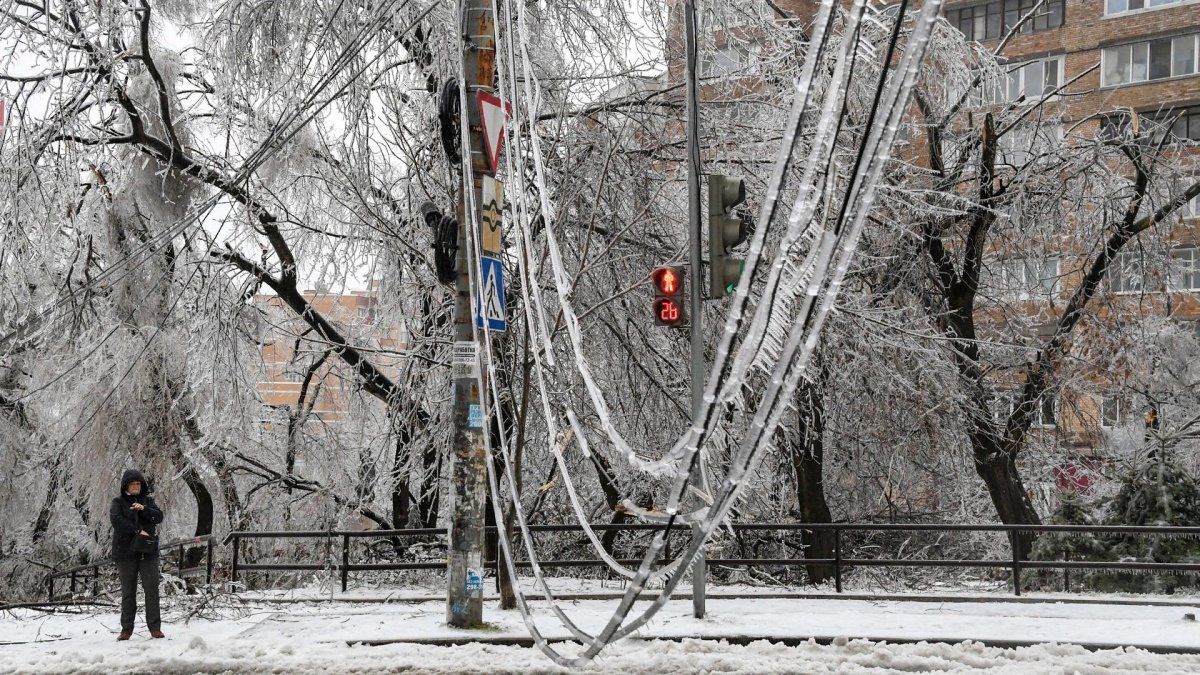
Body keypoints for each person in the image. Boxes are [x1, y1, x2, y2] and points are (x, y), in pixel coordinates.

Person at [110, 469, 165, 640]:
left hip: (148, 552)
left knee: (152, 589)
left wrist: (144, 510)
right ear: (126, 485)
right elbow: (117, 521)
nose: (136, 486)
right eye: (133, 484)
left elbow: (159, 517)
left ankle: (155, 627)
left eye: (139, 484)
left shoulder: (147, 501)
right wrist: (137, 531)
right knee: (128, 592)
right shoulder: (118, 502)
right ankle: (126, 629)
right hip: (125, 553)